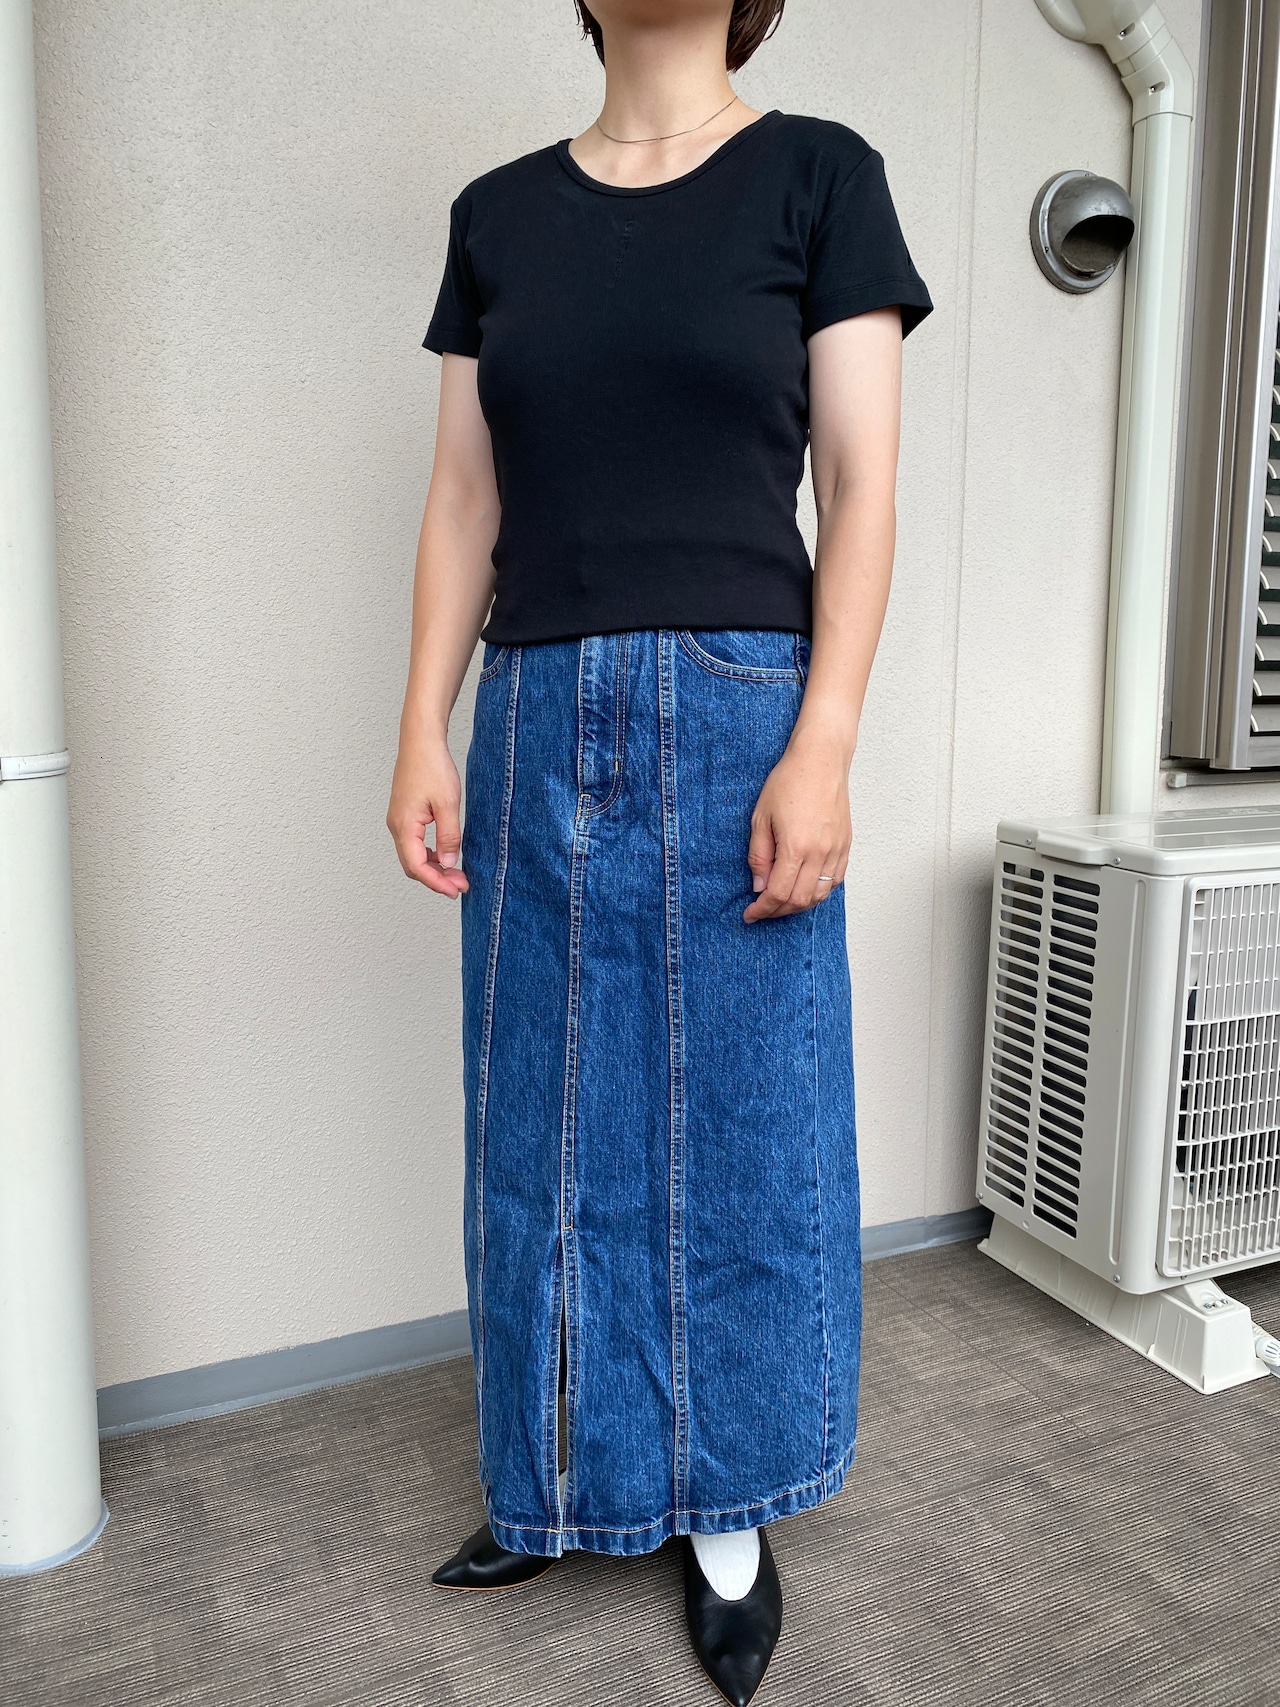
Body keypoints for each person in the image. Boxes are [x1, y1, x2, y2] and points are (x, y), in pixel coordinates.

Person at [387, 1, 931, 1699]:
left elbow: (860, 483)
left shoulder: (820, 178)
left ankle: (729, 1508)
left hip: (740, 706)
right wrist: (423, 725)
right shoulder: (498, 216)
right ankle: (557, 1476)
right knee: (541, 1122)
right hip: (536, 703)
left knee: (742, 1126)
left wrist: (824, 742)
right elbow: (464, 497)